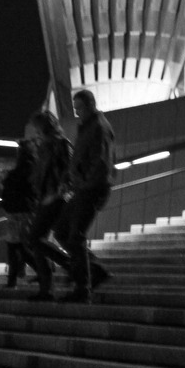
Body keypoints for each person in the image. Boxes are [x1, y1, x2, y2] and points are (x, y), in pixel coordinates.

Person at [55, 90, 115, 302]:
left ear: (90, 105)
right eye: (75, 108)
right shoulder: (87, 127)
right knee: (62, 230)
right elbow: (78, 159)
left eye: (79, 108)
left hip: (93, 188)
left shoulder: (99, 127)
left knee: (75, 235)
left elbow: (101, 162)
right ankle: (94, 270)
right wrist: (68, 180)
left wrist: (81, 183)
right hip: (83, 188)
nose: (77, 113)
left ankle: (83, 288)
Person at [24, 110, 73, 300]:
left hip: (55, 198)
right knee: (36, 242)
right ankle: (46, 289)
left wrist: (57, 193)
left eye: (36, 128)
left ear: (45, 126)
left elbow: (70, 171)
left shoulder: (61, 143)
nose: (34, 132)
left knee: (34, 238)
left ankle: (69, 264)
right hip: (44, 198)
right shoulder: (42, 146)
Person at [0, 138, 35, 288]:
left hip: (18, 210)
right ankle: (15, 277)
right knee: (18, 246)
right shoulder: (32, 167)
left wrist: (6, 179)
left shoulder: (22, 170)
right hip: (25, 210)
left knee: (15, 246)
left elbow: (15, 187)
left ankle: (14, 279)